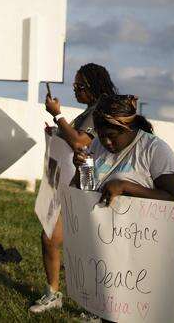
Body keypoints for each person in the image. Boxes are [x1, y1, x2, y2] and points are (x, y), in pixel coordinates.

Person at [30, 63, 118, 314]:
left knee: (86, 246)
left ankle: (95, 303)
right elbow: (75, 139)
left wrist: (58, 115)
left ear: (93, 86)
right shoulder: (89, 110)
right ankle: (53, 294)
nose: (75, 90)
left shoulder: (101, 109)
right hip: (72, 181)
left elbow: (80, 142)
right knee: (50, 236)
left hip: (90, 183)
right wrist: (57, 131)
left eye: (79, 86)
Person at [74, 94, 174, 205]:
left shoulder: (155, 148)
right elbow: (85, 190)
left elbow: (173, 199)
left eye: (112, 135)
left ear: (130, 128)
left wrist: (125, 187)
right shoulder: (96, 143)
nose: (107, 142)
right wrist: (80, 169)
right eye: (102, 136)